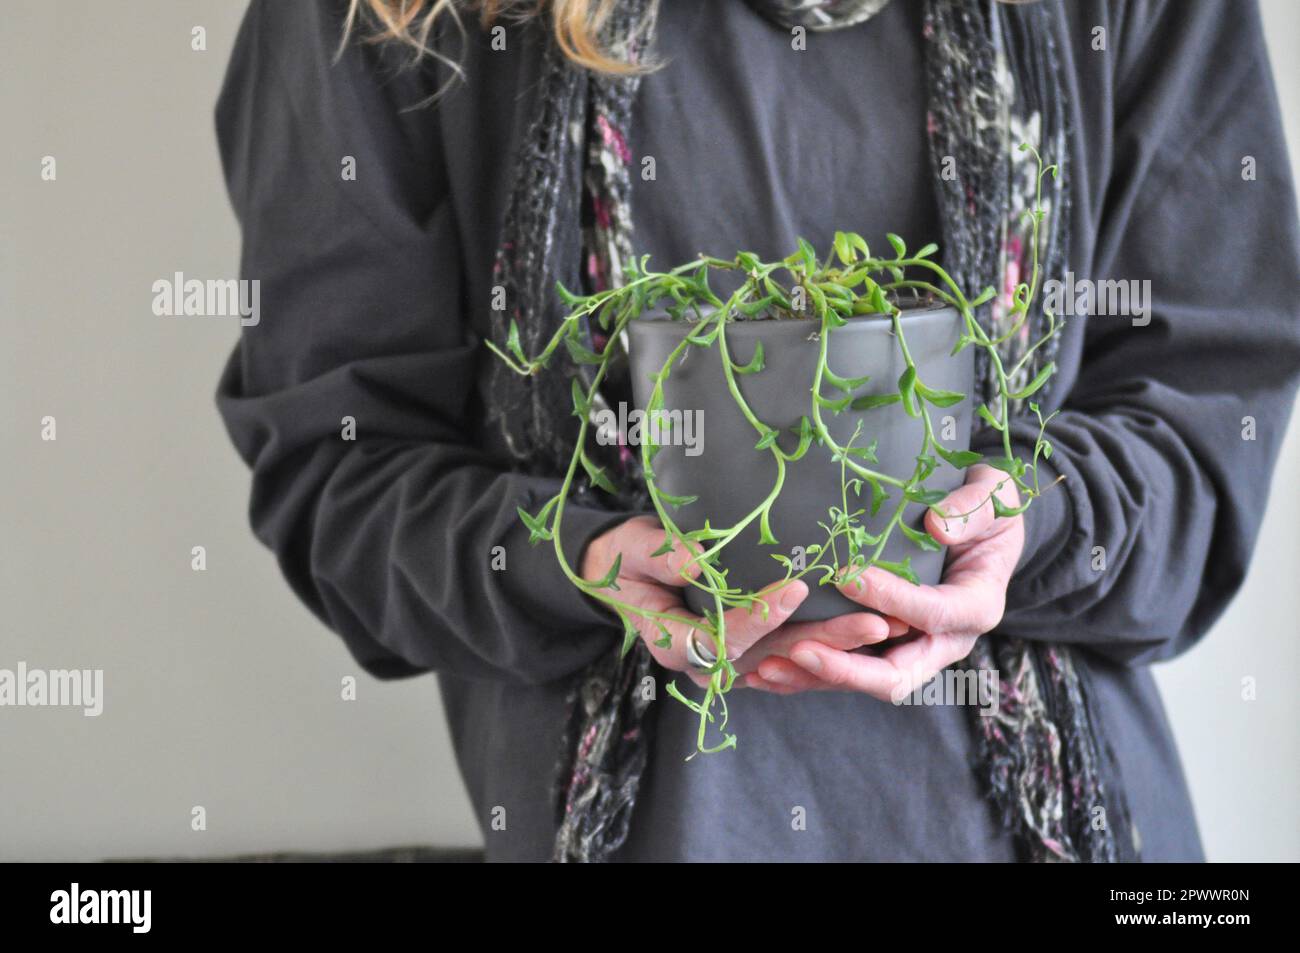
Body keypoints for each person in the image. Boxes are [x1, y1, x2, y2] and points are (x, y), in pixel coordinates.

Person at [215, 0, 1300, 861]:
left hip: (1060, 819)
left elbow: (1209, 422)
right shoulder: (396, 15)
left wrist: (1033, 522)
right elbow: (341, 468)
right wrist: (572, 558)